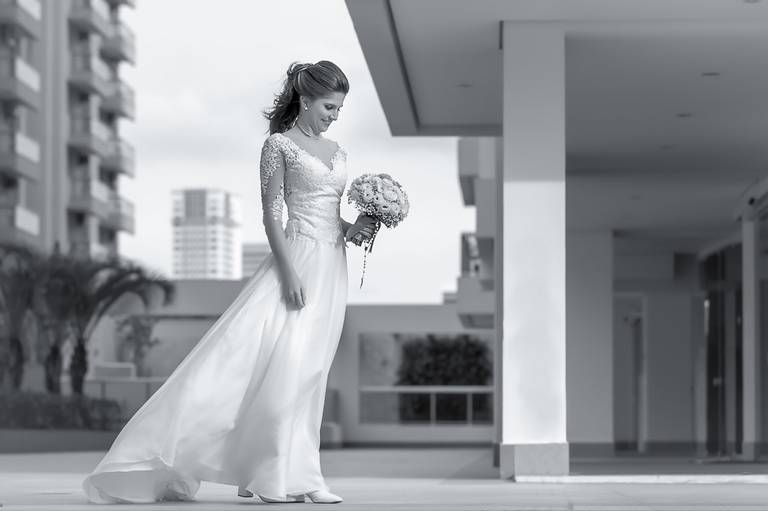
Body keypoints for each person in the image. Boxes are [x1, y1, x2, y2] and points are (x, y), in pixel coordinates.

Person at [82, 60, 377, 504]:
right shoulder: (278, 146)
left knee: (311, 373)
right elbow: (271, 215)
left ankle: (300, 476)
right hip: (294, 263)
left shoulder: (338, 152)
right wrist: (288, 271)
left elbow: (329, 218)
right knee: (272, 368)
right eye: (329, 106)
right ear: (306, 99)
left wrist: (362, 225)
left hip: (331, 266)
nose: (335, 115)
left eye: (339, 108)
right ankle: (277, 477)